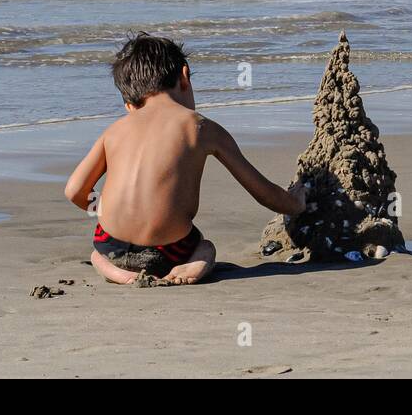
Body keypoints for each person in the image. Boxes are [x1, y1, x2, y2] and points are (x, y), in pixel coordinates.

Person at [65, 32, 306, 284]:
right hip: (171, 250)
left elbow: (74, 190)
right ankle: (193, 266)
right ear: (184, 76)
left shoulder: (114, 130)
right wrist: (296, 203)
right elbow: (262, 192)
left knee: (96, 254)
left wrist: (104, 208)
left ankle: (116, 272)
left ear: (130, 104)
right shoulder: (201, 127)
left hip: (110, 245)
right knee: (206, 247)